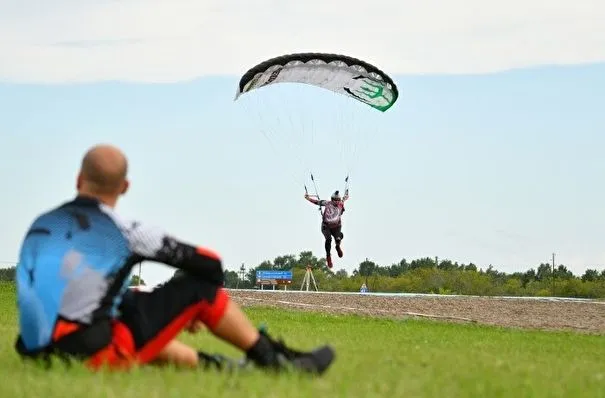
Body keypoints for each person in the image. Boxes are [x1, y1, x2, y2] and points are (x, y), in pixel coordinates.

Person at [14, 144, 335, 374]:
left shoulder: (41, 226)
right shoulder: (125, 231)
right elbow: (210, 264)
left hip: (36, 353)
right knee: (198, 289)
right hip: (90, 354)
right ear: (125, 187)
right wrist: (190, 310)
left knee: (129, 312)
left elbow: (66, 296)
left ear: (77, 179)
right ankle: (275, 363)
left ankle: (224, 369)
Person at [304, 190, 349, 268]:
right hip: (326, 226)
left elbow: (345, 198)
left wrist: (346, 195)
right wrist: (308, 198)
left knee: (338, 237)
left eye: (337, 200)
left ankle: (337, 246)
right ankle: (328, 257)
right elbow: (317, 202)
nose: (336, 202)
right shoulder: (327, 203)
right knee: (328, 239)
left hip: (336, 226)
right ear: (332, 199)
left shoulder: (341, 204)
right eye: (334, 200)